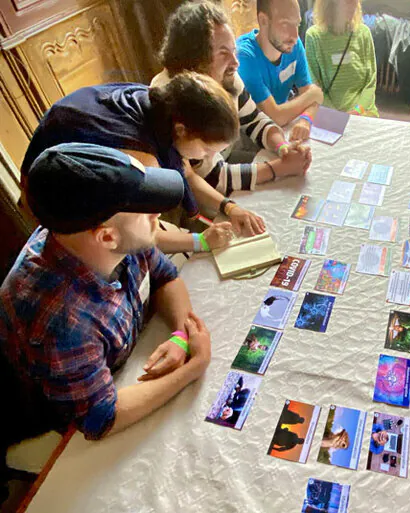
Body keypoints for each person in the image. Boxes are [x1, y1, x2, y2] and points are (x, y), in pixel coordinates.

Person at [0, 143, 212, 449]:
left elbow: (166, 276)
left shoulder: (108, 238)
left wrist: (180, 335)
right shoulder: (60, 322)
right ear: (107, 236)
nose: (158, 215)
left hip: (123, 365)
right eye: (145, 210)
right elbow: (102, 418)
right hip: (62, 422)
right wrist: (195, 367)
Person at [19, 72, 265, 253]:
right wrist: (200, 242)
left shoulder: (161, 104)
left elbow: (186, 174)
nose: (210, 157)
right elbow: (138, 233)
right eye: (207, 149)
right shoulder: (141, 159)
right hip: (50, 199)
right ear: (181, 130)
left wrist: (230, 208)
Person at [153, 1, 312, 194]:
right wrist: (281, 168)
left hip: (229, 163)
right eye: (223, 53)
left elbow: (254, 119)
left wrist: (283, 147)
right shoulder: (177, 97)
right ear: (196, 58)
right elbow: (213, 178)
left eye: (233, 50)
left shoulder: (225, 76)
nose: (235, 62)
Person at [236, 0, 324, 142]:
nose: (295, 36)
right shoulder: (245, 55)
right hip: (253, 139)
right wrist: (312, 95)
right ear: (263, 20)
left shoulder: (293, 45)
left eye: (297, 24)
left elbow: (313, 100)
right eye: (285, 24)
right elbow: (274, 116)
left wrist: (306, 118)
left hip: (286, 129)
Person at [305, 0, 379, 116]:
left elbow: (370, 81)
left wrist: (358, 110)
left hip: (363, 111)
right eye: (348, 1)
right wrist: (337, 115)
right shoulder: (314, 36)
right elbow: (314, 84)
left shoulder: (364, 33)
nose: (354, 5)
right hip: (329, 112)